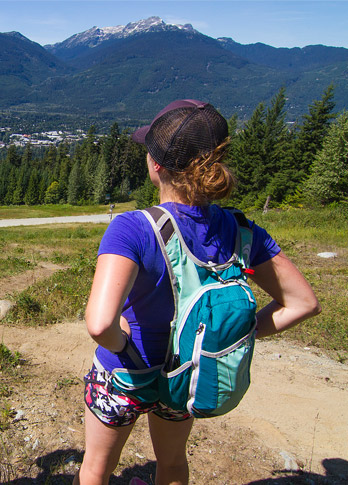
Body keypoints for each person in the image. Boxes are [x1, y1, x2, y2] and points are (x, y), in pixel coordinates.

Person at [76, 99, 321, 485]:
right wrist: (224, 337)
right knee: (172, 465)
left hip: (125, 373)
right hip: (186, 374)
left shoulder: (132, 228)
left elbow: (99, 323)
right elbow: (304, 303)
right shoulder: (242, 231)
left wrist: (122, 346)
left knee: (96, 468)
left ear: (156, 165)